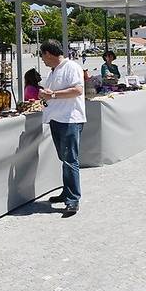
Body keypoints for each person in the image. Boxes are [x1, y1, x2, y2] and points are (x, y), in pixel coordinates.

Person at [39, 40, 86, 215]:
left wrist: (52, 95)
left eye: (42, 55)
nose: (42, 60)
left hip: (69, 119)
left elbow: (78, 90)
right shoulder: (54, 71)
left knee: (70, 160)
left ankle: (73, 199)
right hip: (57, 119)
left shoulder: (71, 67)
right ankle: (67, 192)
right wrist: (45, 96)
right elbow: (52, 95)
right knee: (64, 158)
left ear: (48, 54)